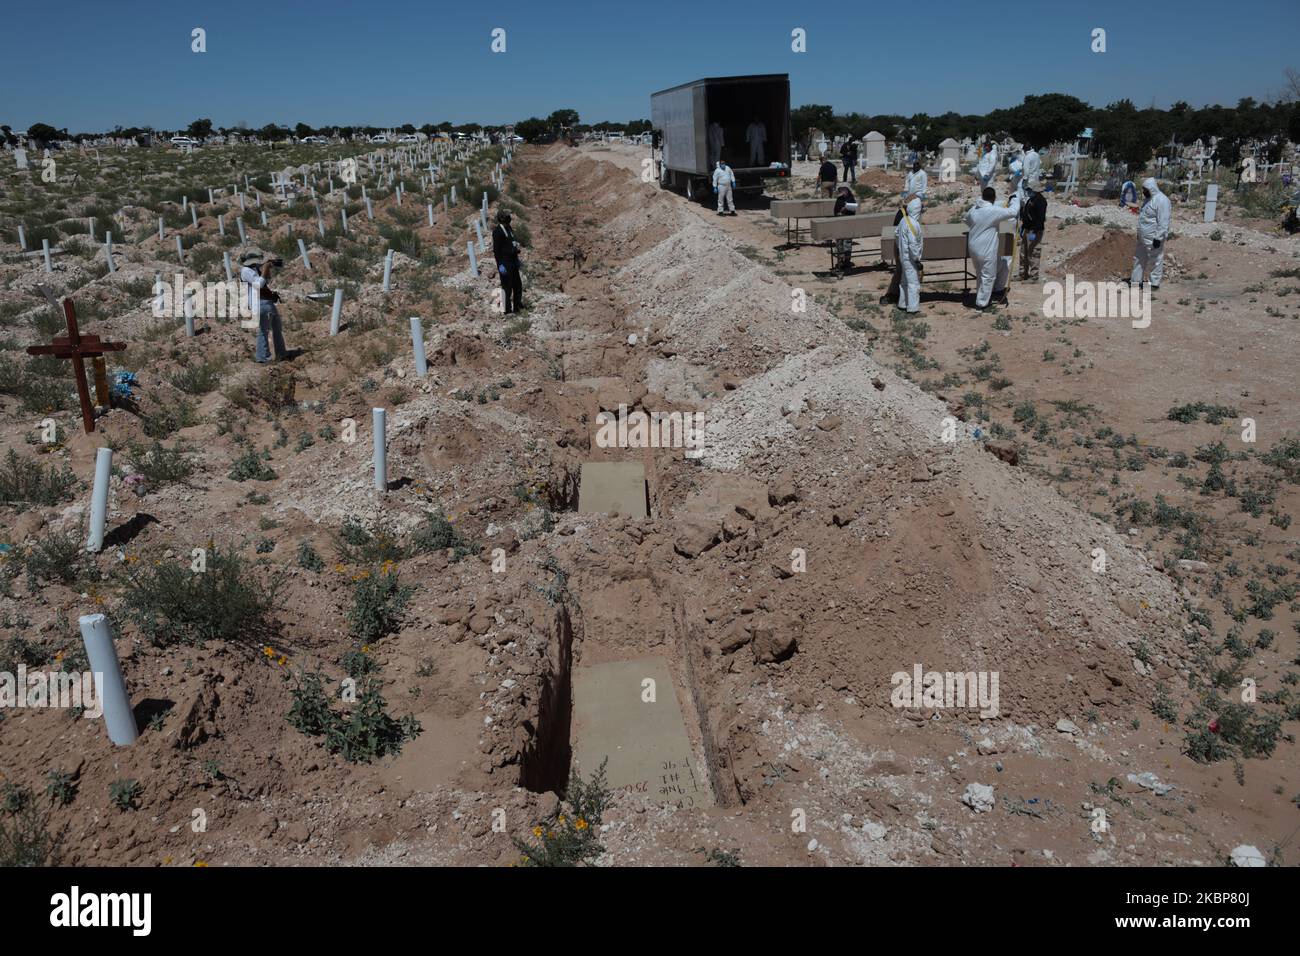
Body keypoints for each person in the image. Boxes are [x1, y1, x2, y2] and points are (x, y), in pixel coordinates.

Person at [965, 186, 1021, 309]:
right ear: (994, 198)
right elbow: (1013, 212)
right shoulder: (993, 211)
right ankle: (982, 304)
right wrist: (1015, 199)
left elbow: (966, 219)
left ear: (983, 196)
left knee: (980, 274)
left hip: (973, 247)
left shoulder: (974, 209)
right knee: (988, 276)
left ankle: (980, 298)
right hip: (986, 249)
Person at [239, 250, 288, 363]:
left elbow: (266, 280)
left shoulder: (254, 269)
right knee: (263, 330)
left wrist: (268, 268)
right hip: (259, 303)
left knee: (277, 328)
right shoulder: (246, 271)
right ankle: (263, 358)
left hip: (266, 302)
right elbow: (259, 284)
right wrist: (265, 267)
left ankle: (281, 354)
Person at [1131, 176, 1170, 291]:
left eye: (1145, 190)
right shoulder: (1148, 200)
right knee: (1138, 258)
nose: (1143, 192)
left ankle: (1154, 283)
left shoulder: (1162, 200)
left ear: (1151, 188)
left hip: (1153, 236)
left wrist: (1158, 237)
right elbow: (1144, 218)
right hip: (1143, 236)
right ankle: (1136, 281)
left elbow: (1163, 221)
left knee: (1155, 259)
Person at [895, 197, 924, 314]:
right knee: (913, 283)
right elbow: (913, 244)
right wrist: (917, 259)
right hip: (911, 259)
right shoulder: (913, 224)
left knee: (904, 281)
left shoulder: (904, 220)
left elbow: (896, 234)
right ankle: (913, 309)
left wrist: (900, 247)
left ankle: (902, 304)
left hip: (904, 256)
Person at [492, 209, 524, 313]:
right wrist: (500, 265)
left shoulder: (509, 228)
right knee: (507, 287)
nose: (509, 218)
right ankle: (507, 310)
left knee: (518, 286)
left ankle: (517, 307)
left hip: (513, 261)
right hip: (505, 263)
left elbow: (511, 241)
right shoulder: (497, 232)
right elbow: (496, 251)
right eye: (507, 217)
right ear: (502, 218)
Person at [1018, 178, 1047, 281]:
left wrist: (1034, 231)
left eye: (1029, 189)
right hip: (1027, 229)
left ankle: (1034, 276)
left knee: (1033, 253)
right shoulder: (1031, 200)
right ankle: (1023, 274)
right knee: (1023, 252)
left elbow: (1040, 218)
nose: (1028, 191)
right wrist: (1023, 227)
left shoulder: (1040, 201)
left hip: (1034, 231)